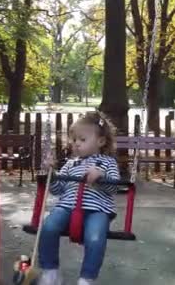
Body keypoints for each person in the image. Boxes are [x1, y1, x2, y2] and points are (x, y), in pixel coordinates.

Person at [38, 112, 120, 285]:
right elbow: (58, 189)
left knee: (95, 237)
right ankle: (50, 271)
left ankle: (87, 279)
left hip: (98, 210)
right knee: (48, 227)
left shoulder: (107, 162)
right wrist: (51, 175)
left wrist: (101, 176)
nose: (76, 144)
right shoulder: (70, 164)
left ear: (101, 141)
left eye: (82, 140)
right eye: (74, 140)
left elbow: (114, 187)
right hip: (67, 206)